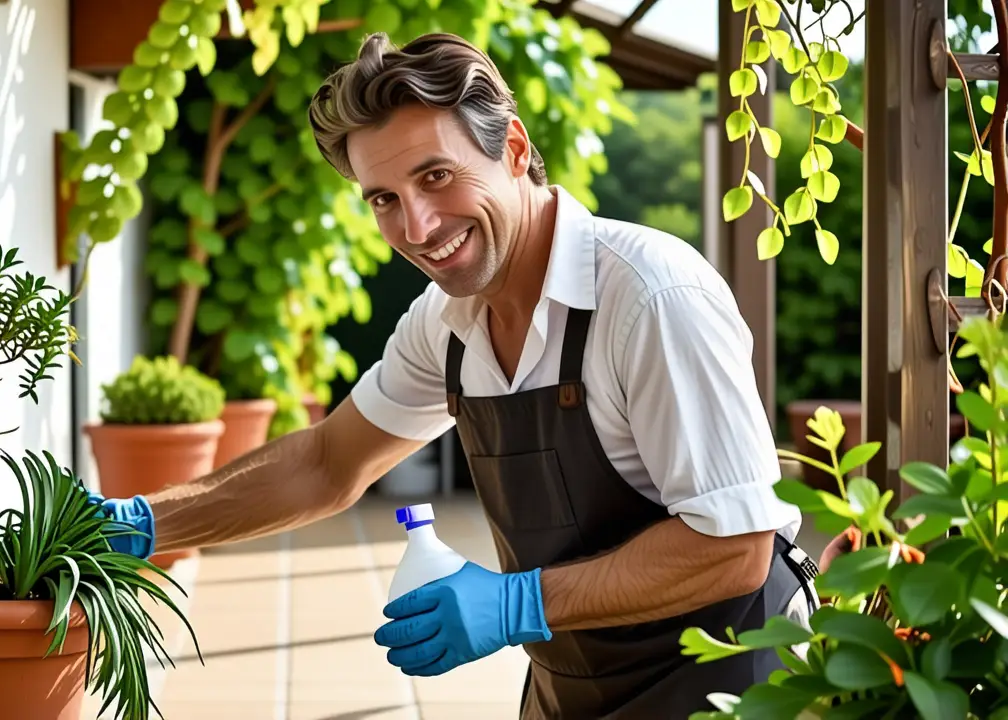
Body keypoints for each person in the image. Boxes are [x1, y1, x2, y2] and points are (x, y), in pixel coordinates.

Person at [89, 31, 819, 719]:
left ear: (512, 148)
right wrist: (146, 524)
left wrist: (515, 606)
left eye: (436, 176)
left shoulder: (649, 297)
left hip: (734, 681)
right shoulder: (447, 322)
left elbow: (735, 546)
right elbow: (325, 462)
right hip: (576, 684)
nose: (417, 227)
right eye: (384, 200)